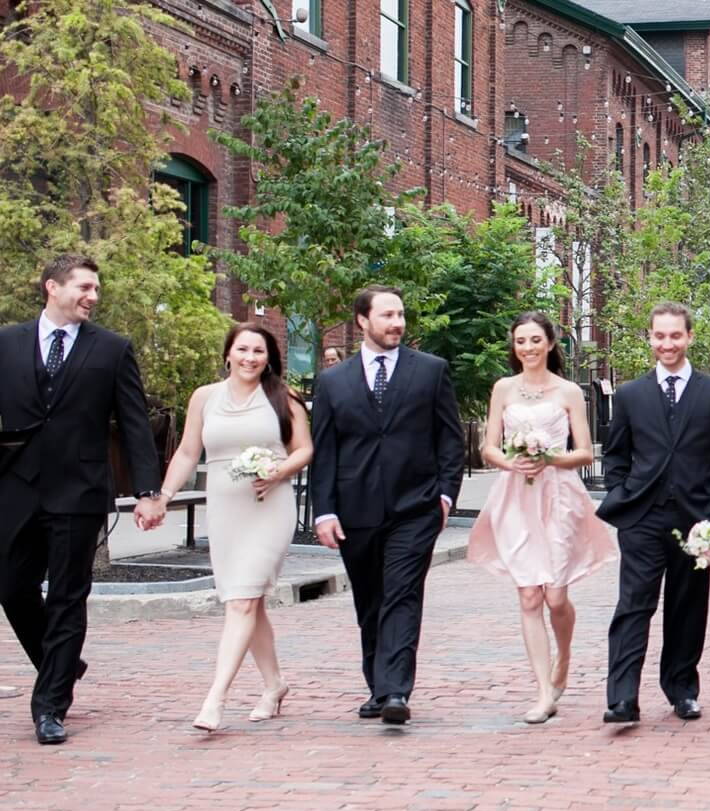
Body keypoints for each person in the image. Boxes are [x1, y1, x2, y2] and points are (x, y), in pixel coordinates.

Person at [0, 255, 166, 744]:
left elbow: (134, 423)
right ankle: (65, 664)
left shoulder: (112, 349)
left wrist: (148, 491)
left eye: (96, 289)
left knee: (70, 597)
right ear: (53, 287)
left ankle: (50, 706)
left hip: (79, 490)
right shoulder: (6, 343)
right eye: (85, 287)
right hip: (16, 486)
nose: (94, 296)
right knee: (11, 587)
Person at [309, 285, 465, 727]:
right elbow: (326, 450)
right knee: (370, 600)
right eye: (387, 316)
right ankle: (378, 686)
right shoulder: (332, 382)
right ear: (362, 320)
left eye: (400, 314)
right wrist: (325, 511)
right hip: (355, 510)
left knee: (402, 595)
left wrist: (445, 495)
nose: (397, 323)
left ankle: (395, 689)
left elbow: (450, 439)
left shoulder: (431, 371)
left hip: (416, 507)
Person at [157, 324, 311, 732]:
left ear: (269, 357)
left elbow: (305, 450)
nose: (250, 357)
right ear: (228, 353)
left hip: (269, 506)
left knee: (241, 601)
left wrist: (278, 471)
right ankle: (275, 684)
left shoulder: (283, 397)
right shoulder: (205, 398)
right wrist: (165, 494)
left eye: (258, 351)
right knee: (248, 601)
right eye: (242, 349)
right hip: (224, 509)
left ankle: (215, 699)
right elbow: (189, 452)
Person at [468, 312, 616, 724]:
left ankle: (564, 654)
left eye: (535, 340)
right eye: (520, 341)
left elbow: (585, 452)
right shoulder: (503, 389)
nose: (528, 348)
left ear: (550, 344)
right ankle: (543, 691)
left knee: (555, 595)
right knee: (529, 593)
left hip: (559, 493)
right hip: (517, 495)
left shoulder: (568, 391)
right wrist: (511, 462)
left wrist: (549, 457)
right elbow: (489, 447)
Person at [597, 302, 710, 725]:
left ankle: (682, 689)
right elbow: (616, 454)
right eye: (659, 336)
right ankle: (622, 697)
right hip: (642, 516)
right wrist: (622, 493)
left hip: (697, 519)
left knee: (687, 608)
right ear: (650, 338)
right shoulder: (631, 395)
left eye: (675, 335)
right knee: (634, 605)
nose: (667, 343)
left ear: (690, 337)